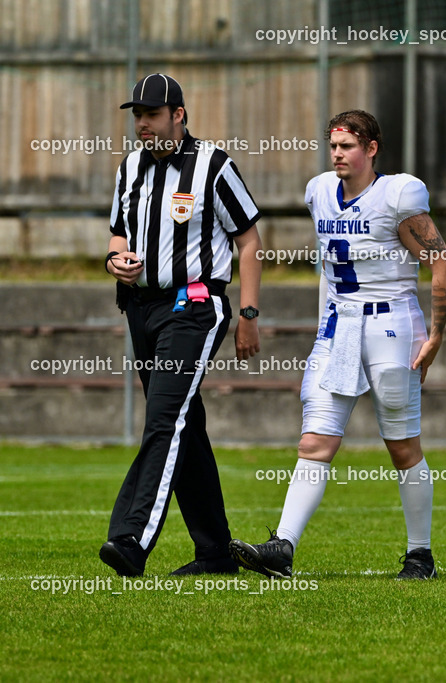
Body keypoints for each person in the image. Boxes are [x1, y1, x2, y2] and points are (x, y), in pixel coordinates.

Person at [229, 110, 446, 580]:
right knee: (314, 441)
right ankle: (282, 548)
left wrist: (435, 336)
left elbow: (444, 266)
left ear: (371, 149)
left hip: (391, 325)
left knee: (402, 447)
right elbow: (327, 275)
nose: (337, 153)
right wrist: (322, 331)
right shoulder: (318, 192)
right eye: (333, 145)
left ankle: (421, 556)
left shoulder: (397, 194)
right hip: (339, 329)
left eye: (347, 145)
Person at [101, 73, 262, 577]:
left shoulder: (214, 165)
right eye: (136, 116)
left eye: (150, 115)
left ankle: (131, 538)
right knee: (184, 425)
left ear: (178, 115)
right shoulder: (129, 169)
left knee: (164, 418)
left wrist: (249, 315)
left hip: (194, 307)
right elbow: (116, 236)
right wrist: (116, 261)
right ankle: (215, 552)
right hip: (142, 308)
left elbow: (250, 241)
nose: (142, 125)